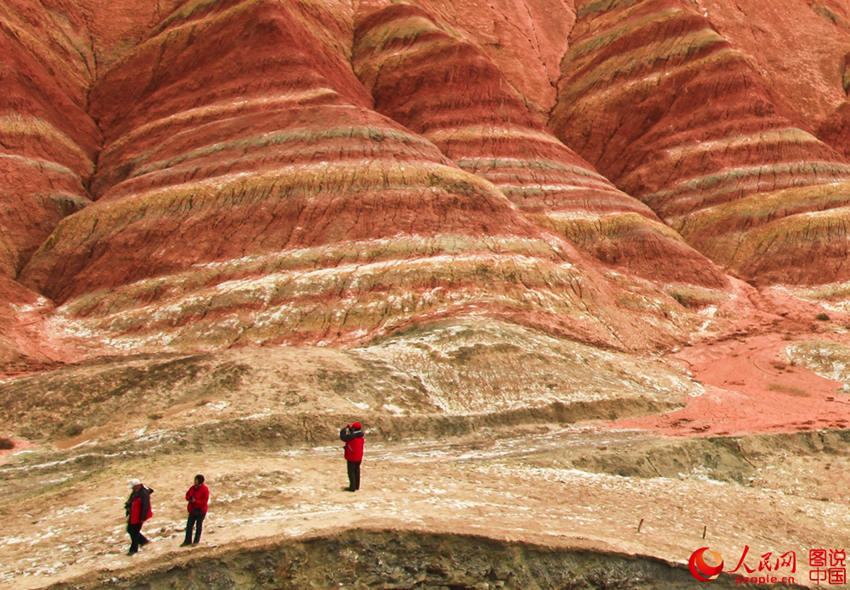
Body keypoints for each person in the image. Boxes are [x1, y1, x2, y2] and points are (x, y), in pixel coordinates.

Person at [124, 478, 153, 555]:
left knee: (134, 532)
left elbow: (146, 506)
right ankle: (143, 541)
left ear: (137, 486)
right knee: (130, 529)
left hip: (139, 516)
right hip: (134, 514)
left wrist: (142, 517)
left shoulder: (143, 493)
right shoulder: (136, 492)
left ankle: (134, 549)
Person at [181, 474, 209, 546]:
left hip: (201, 511)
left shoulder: (205, 489)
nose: (195, 482)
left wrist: (195, 501)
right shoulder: (192, 488)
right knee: (189, 525)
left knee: (198, 526)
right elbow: (187, 495)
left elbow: (204, 501)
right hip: (193, 510)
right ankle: (187, 541)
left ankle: (196, 541)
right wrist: (189, 499)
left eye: (196, 480)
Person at [339, 421, 364, 491]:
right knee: (357, 471)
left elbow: (343, 437)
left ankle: (352, 487)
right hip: (359, 456)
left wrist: (344, 429)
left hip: (352, 457)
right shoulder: (360, 436)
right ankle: (356, 486)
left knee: (351, 472)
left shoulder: (352, 437)